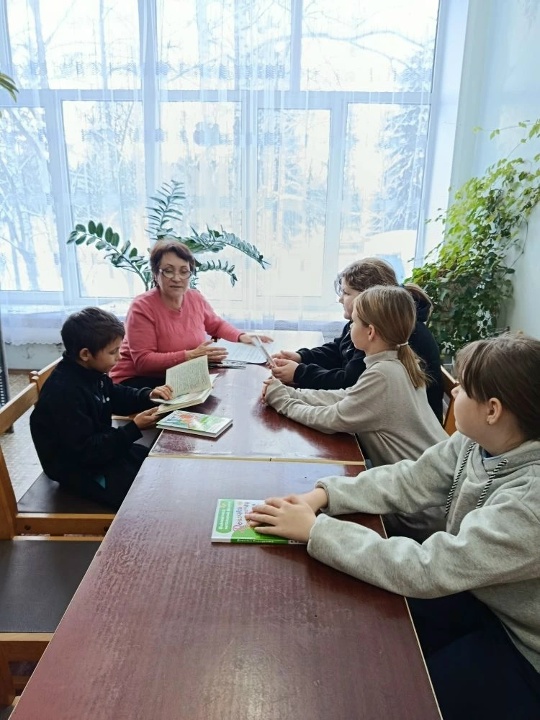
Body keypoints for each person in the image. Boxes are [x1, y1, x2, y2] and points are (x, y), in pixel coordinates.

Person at [246, 333, 540, 720]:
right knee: (365, 629)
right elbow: (410, 480)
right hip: (478, 594)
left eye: (464, 388)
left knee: (403, 695)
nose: (453, 392)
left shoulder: (529, 503)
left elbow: (427, 568)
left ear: (493, 410)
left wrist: (317, 531)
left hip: (521, 645)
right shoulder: (477, 441)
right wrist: (324, 496)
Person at [30, 307, 173, 510]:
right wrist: (133, 428)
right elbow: (85, 451)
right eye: (113, 352)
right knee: (144, 497)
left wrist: (148, 395)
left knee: (157, 463)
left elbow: (115, 395)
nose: (119, 357)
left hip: (101, 450)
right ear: (85, 354)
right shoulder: (64, 393)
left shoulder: (90, 372)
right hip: (77, 468)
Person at [271, 257, 444, 422]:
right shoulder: (371, 322)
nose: (340, 299)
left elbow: (349, 385)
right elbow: (339, 351)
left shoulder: (390, 336)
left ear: (369, 297)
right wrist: (302, 357)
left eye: (346, 293)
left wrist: (299, 374)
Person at [110, 239, 271, 389]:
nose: (177, 278)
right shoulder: (142, 307)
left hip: (179, 374)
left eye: (184, 271)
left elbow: (216, 325)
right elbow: (143, 362)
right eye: (168, 271)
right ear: (155, 274)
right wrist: (191, 356)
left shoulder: (195, 297)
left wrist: (241, 336)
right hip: (135, 383)